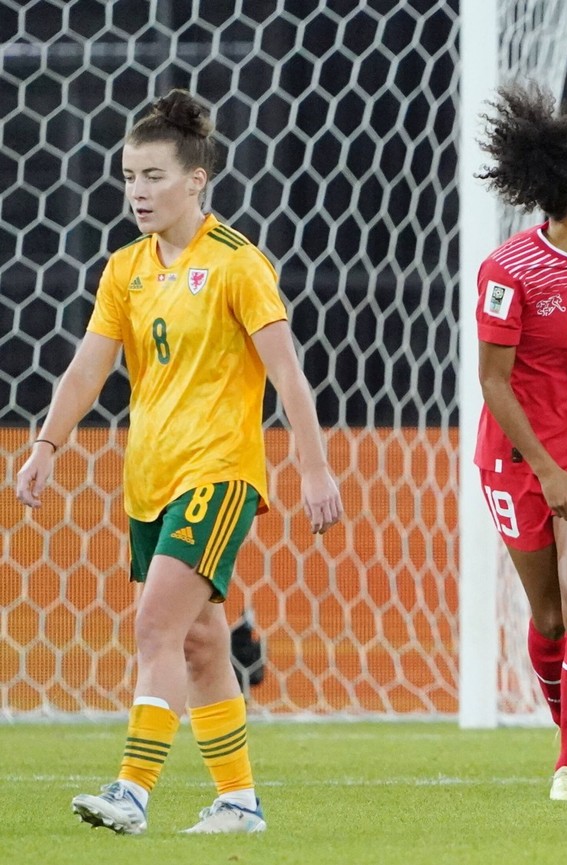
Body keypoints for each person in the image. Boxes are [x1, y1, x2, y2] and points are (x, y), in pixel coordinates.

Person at [14, 89, 343, 835]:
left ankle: (132, 789)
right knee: (198, 641)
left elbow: (288, 372)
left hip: (220, 472)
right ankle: (239, 801)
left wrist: (314, 468)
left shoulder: (237, 263)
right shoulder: (125, 269)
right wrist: (44, 445)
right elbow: (86, 372)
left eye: (153, 175)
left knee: (154, 626)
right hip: (149, 479)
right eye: (129, 175)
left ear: (195, 180)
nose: (137, 190)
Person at [472, 83, 567, 803]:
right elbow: (494, 382)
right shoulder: (509, 272)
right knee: (549, 616)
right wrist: (545, 468)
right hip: (518, 457)